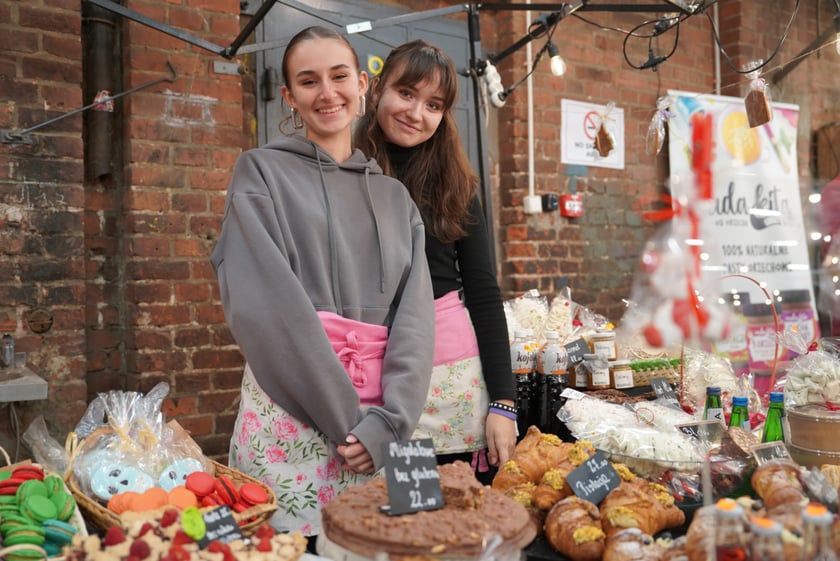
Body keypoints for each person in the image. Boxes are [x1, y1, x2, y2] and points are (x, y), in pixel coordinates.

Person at [211, 26, 435, 537]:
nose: (327, 93)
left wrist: (391, 422)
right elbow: (263, 304)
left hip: (386, 419)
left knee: (395, 545)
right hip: (291, 405)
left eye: (339, 77)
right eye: (308, 81)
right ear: (289, 97)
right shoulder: (259, 173)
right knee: (290, 549)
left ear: (363, 87)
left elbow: (416, 319)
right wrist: (349, 422)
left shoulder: (397, 198)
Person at [354, 40, 517, 482]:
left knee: (446, 522)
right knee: (370, 524)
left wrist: (504, 401)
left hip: (446, 380)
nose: (416, 112)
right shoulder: (343, 171)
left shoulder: (457, 185)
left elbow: (483, 292)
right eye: (406, 93)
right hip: (363, 370)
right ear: (376, 91)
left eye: (434, 104)